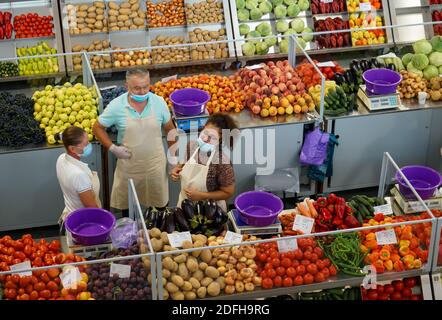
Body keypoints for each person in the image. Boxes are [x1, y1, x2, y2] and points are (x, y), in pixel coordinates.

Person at [93, 69, 175, 216]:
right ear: (127, 86)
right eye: (136, 88)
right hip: (129, 167)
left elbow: (170, 130)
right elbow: (97, 128)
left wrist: (174, 157)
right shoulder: (116, 106)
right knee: (128, 210)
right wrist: (112, 148)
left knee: (160, 210)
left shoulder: (159, 102)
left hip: (155, 166)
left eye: (145, 87)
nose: (142, 92)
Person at [170, 113, 238, 211]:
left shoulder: (222, 162)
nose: (206, 139)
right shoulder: (191, 146)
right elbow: (184, 162)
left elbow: (228, 193)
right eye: (205, 133)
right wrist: (177, 169)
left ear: (220, 140)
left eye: (213, 138)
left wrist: (202, 196)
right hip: (184, 207)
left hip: (210, 212)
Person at [55, 126, 101, 228]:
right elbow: (91, 207)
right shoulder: (78, 175)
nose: (89, 145)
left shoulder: (61, 158)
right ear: (72, 148)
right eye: (85, 144)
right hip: (82, 222)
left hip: (69, 213)